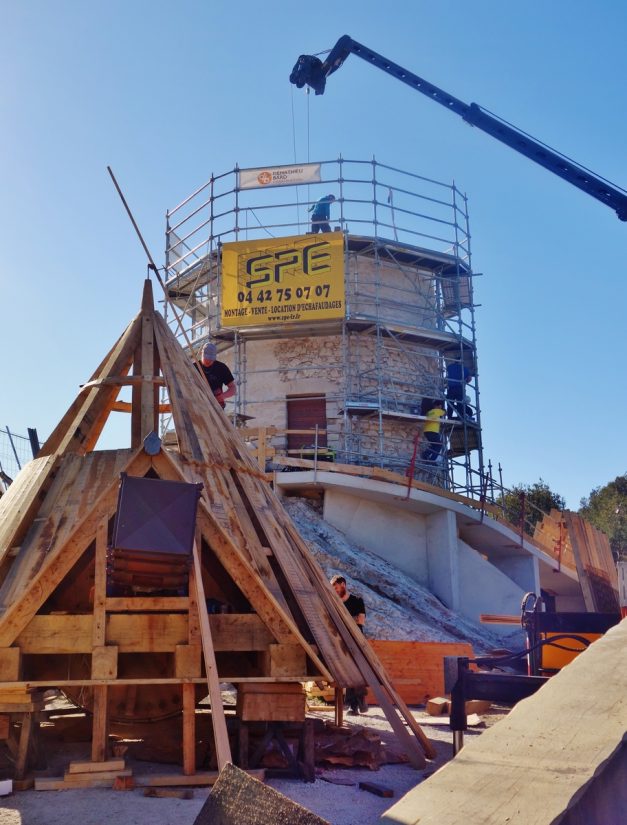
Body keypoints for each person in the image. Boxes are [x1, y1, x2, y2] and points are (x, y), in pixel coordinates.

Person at [330, 574, 368, 715]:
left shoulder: (357, 601)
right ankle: (355, 704)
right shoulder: (335, 603)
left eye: (336, 587)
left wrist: (344, 620)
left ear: (343, 585)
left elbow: (361, 621)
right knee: (348, 671)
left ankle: (356, 702)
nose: (334, 590)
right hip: (342, 640)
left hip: (357, 640)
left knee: (358, 670)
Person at [196, 342, 236, 409]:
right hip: (198, 407)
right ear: (201, 354)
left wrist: (222, 396)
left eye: (211, 359)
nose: (208, 361)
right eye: (206, 358)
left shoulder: (221, 368)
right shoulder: (193, 368)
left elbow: (233, 388)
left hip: (216, 408)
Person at [420, 398, 445, 463]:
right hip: (433, 431)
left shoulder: (429, 412)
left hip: (426, 431)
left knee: (434, 445)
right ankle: (431, 460)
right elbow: (445, 413)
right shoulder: (438, 411)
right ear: (439, 406)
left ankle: (425, 454)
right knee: (439, 445)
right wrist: (443, 410)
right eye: (440, 406)